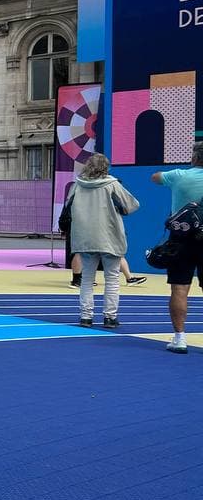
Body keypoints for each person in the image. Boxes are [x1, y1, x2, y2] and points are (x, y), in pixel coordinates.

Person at [68, 153, 139, 328]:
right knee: (112, 278)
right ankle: (110, 317)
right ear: (106, 167)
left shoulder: (77, 185)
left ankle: (86, 317)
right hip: (109, 236)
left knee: (86, 279)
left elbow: (68, 207)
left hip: (85, 237)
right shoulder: (112, 184)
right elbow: (132, 206)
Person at [152, 141, 203, 353]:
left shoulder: (179, 176)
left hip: (181, 238)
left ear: (194, 157)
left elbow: (155, 177)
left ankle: (180, 338)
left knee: (180, 287)